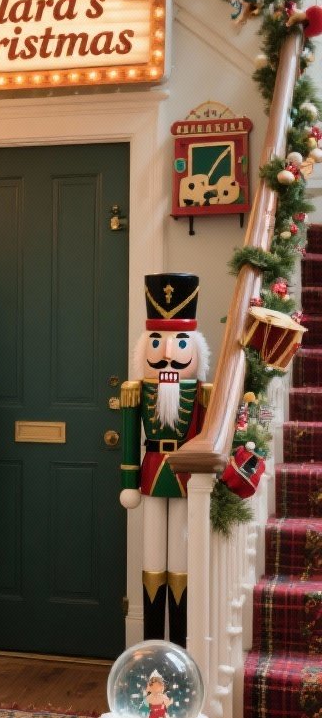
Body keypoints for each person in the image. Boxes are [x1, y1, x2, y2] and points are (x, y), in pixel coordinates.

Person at [119, 273, 211, 646]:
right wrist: (128, 482)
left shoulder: (202, 393)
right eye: (157, 342)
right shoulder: (136, 391)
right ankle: (154, 648)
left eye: (179, 342)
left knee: (182, 564)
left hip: (187, 477)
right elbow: (129, 439)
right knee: (153, 562)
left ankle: (181, 650)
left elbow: (206, 436)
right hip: (153, 473)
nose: (169, 354)